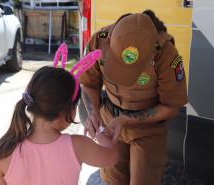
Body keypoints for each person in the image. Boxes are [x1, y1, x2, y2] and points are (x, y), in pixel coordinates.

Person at [78, 10, 188, 185]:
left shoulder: (165, 53)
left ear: (152, 50)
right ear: (111, 36)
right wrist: (93, 114)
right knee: (113, 180)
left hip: (148, 129)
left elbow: (171, 107)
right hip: (109, 120)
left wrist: (127, 119)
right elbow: (89, 84)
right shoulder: (99, 41)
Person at [0, 44, 119, 185]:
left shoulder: (4, 151)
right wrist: (98, 129)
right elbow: (112, 156)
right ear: (67, 110)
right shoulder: (78, 146)